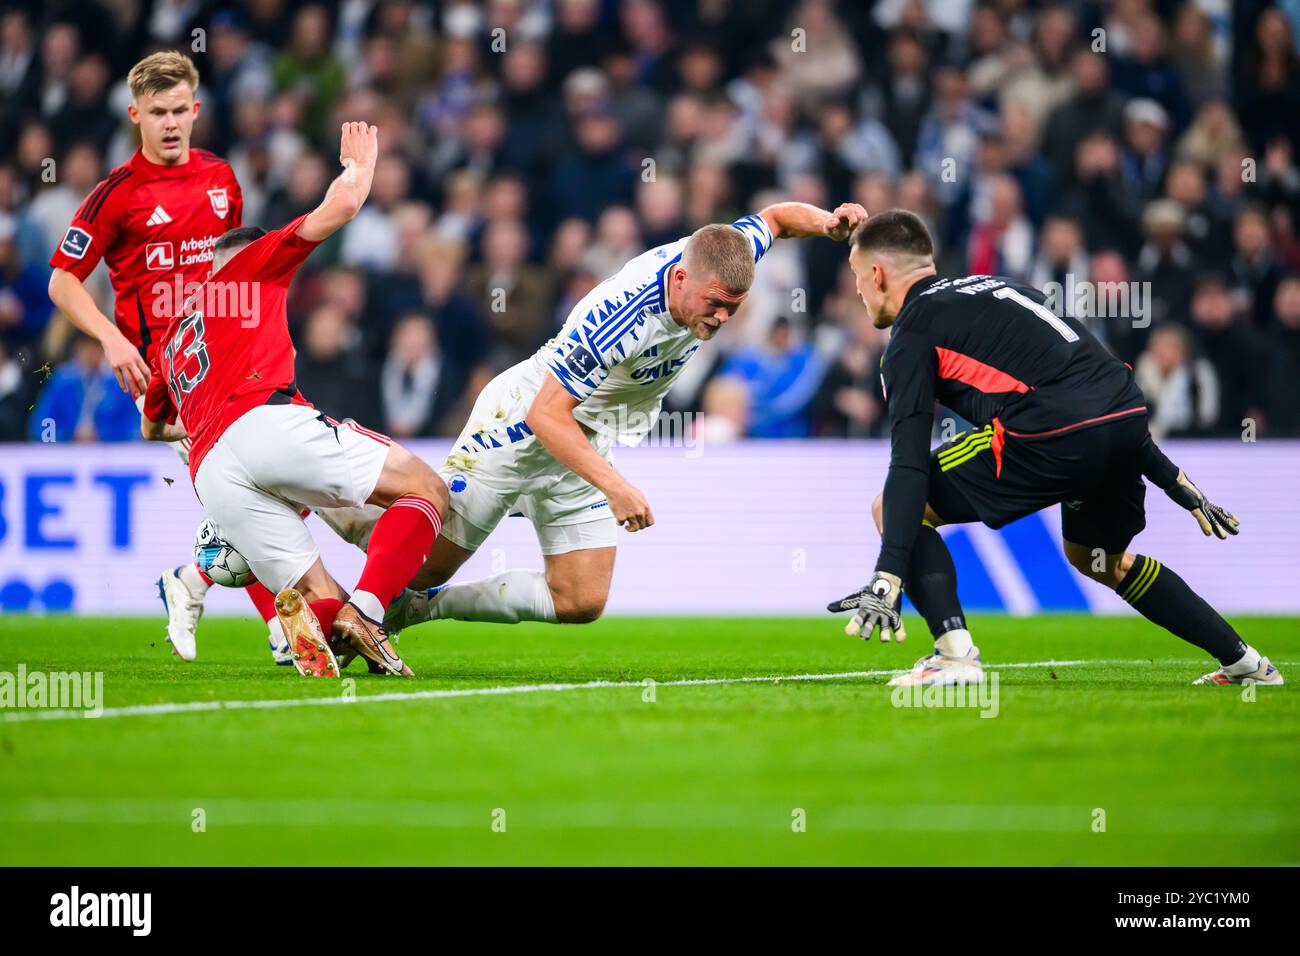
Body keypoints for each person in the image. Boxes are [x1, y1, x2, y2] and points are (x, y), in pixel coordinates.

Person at [827, 209, 1282, 688]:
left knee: (894, 505)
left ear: (876, 275)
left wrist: (889, 570)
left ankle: (954, 656)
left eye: (858, 280)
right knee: (1097, 557)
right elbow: (1092, 384)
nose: (859, 293)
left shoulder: (910, 336)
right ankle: (1247, 664)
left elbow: (908, 463)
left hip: (1050, 434)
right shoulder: (1002, 288)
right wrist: (1172, 479)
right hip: (1125, 419)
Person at [382, 199, 868, 633]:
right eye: (715, 305)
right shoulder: (626, 316)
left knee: (580, 599)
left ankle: (422, 610)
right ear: (680, 278)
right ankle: (329, 517)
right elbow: (545, 415)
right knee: (422, 567)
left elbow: (776, 219)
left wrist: (827, 223)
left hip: (584, 435)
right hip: (520, 424)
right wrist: (616, 486)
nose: (722, 319)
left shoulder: (720, 256)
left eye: (733, 309)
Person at [141, 122, 448, 679]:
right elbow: (343, 206)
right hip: (263, 419)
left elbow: (152, 427)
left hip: (210, 470)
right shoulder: (253, 265)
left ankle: (320, 625)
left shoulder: (172, 337)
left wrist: (200, 424)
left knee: (316, 593)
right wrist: (360, 165)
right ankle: (370, 613)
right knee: (425, 491)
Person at [45, 51, 247, 661]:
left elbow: (232, 274)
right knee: (246, 486)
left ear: (196, 110)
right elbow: (61, 280)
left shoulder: (222, 180)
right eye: (156, 112)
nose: (169, 123)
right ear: (135, 114)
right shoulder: (118, 193)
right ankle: (277, 620)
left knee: (248, 491)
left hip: (224, 360)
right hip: (161, 371)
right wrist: (111, 338)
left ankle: (196, 583)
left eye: (179, 110)